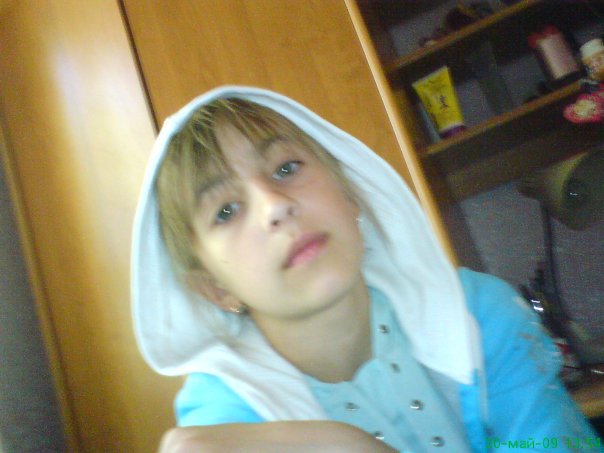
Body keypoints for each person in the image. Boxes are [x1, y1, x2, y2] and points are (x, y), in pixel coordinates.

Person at [131, 86, 599, 452]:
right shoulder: (227, 421)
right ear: (215, 288)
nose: (274, 206)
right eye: (226, 211)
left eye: (286, 168)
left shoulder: (474, 315)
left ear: (350, 195)